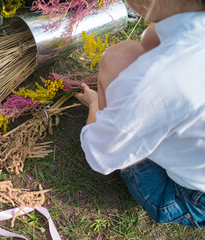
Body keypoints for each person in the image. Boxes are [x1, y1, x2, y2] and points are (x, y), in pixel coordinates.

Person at [74, 0, 205, 227]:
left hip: (186, 198)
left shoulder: (158, 79)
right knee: (142, 43)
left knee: (117, 58)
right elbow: (150, 40)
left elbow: (100, 154)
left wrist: (96, 105)